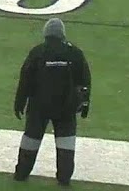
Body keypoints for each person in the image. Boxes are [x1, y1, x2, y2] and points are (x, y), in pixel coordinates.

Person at [13, 18, 91, 185]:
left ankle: (22, 173)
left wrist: (20, 101)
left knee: (31, 141)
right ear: (62, 34)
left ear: (46, 34)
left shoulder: (38, 52)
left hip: (38, 106)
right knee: (66, 145)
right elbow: (84, 80)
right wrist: (85, 103)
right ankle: (64, 178)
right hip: (66, 107)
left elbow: (25, 79)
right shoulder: (74, 53)